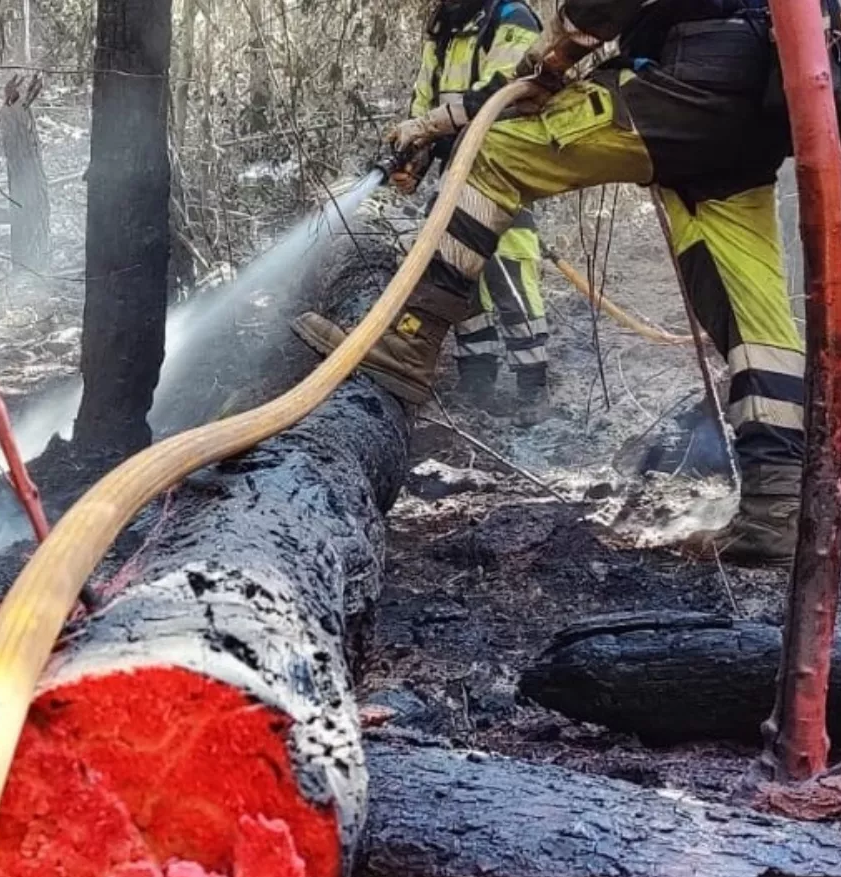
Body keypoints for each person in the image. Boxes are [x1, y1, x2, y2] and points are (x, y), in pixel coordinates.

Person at [296, 0, 807, 564]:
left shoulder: (506, 19)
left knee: (492, 157)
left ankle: (409, 340)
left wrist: (554, 56)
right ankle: (777, 507)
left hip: (687, 86)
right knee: (751, 313)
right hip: (756, 114)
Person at [402, 0, 553, 413]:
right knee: (454, 275)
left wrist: (429, 126)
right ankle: (477, 383)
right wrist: (413, 155)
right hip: (454, 175)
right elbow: (423, 100)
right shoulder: (443, 29)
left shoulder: (511, 19)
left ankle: (532, 390)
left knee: (511, 277)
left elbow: (500, 92)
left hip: (502, 171)